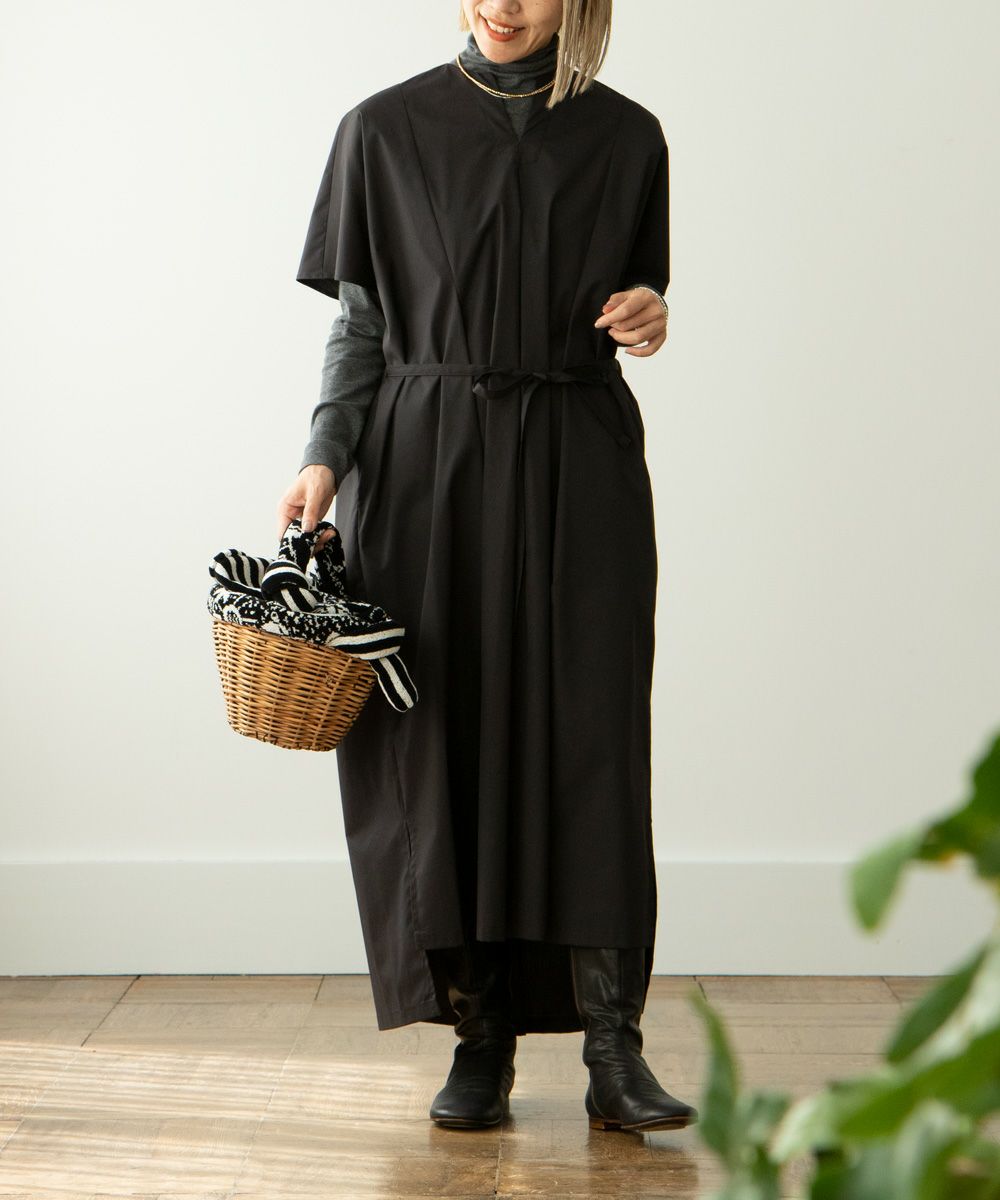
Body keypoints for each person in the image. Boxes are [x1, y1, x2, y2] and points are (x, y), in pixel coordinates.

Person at [276, 1, 698, 1135]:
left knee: (592, 740)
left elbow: (635, 300)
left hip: (577, 457)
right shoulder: (383, 130)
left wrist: (650, 314)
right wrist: (323, 455)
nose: (502, 3)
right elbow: (361, 327)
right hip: (424, 467)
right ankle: (479, 1041)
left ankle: (614, 1047)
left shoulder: (628, 136)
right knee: (439, 744)